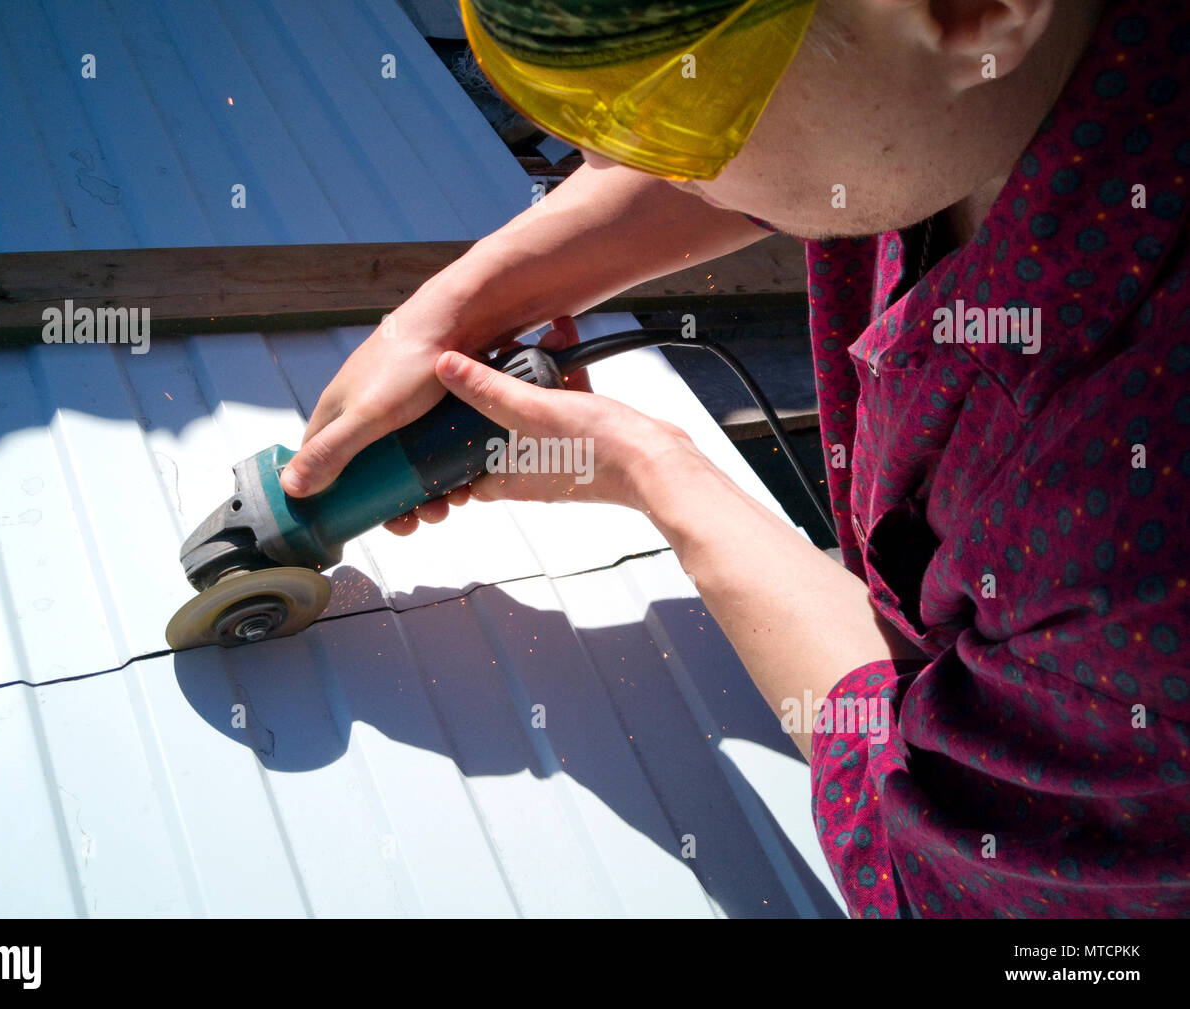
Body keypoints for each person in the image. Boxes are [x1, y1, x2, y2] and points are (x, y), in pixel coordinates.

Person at [280, 0, 1189, 918]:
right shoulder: (963, 85)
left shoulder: (1137, 532)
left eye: (683, 111)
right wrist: (442, 317)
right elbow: (829, 134)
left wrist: (656, 473)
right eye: (597, 113)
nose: (619, 162)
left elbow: (957, 896)